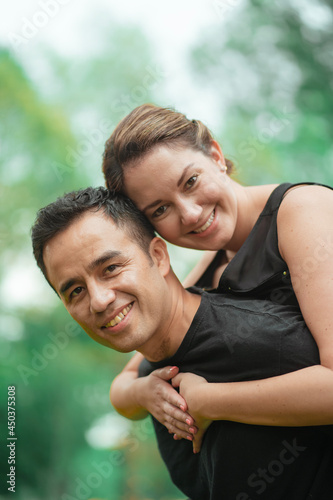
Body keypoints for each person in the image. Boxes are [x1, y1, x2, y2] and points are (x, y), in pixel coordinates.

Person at [31, 186, 333, 500]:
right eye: (75, 291)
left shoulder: (266, 341)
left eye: (110, 268)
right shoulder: (151, 378)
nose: (99, 300)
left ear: (159, 256)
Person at [102, 103, 333, 451]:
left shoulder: (303, 211)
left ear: (215, 154)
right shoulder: (212, 262)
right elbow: (122, 389)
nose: (191, 214)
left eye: (191, 181)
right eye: (161, 209)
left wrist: (211, 401)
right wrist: (146, 391)